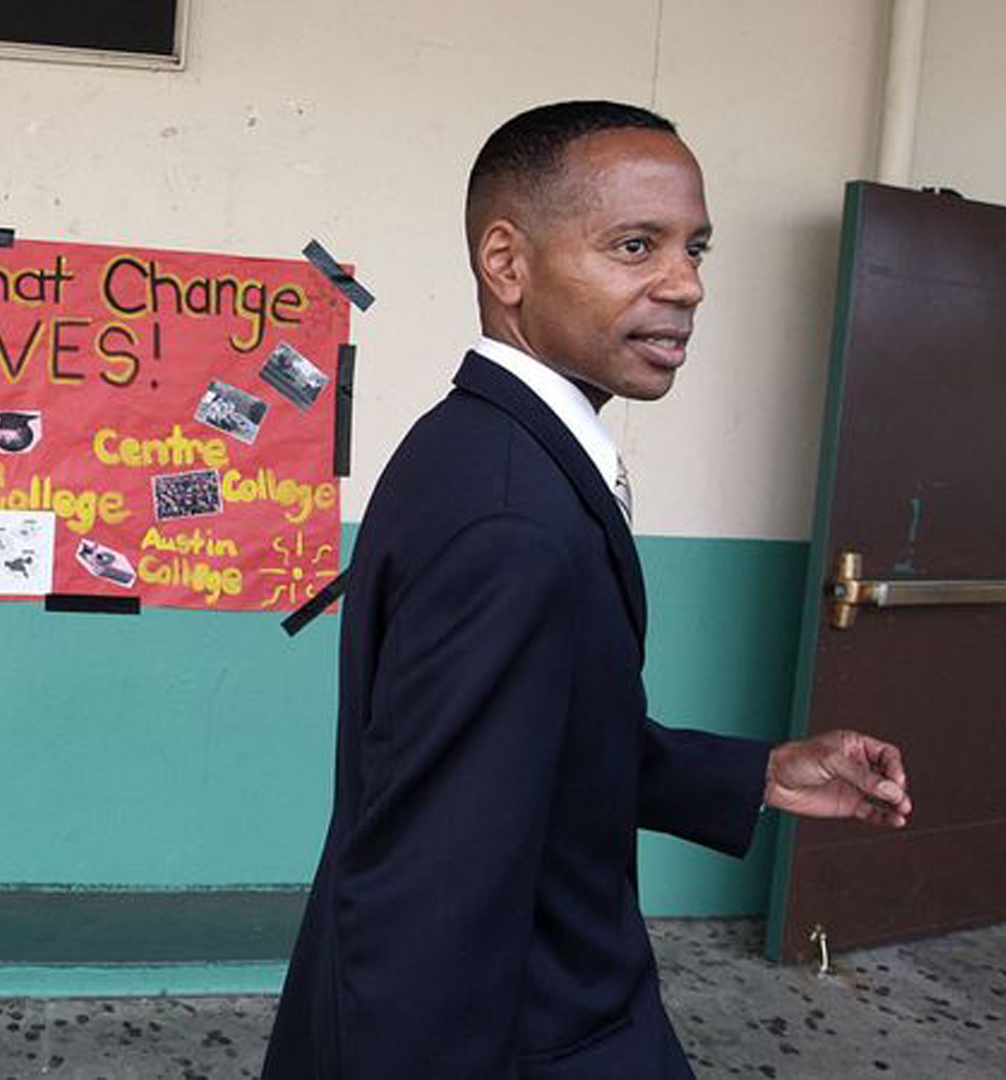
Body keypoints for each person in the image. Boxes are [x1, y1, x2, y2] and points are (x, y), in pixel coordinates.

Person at [261, 101, 914, 1079]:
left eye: (696, 247)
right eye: (635, 245)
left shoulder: (483, 448)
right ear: (508, 264)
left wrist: (758, 774)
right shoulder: (513, 517)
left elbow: (543, 738)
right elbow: (434, 884)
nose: (686, 284)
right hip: (539, 1037)